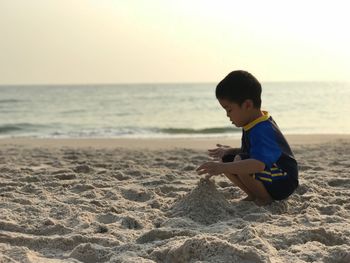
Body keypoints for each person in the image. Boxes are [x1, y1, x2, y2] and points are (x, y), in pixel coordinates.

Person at [196, 70, 299, 206]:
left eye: (229, 110)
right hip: (273, 174)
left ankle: (264, 198)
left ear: (247, 105)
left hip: (284, 179)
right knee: (228, 159)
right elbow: (253, 151)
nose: (227, 115)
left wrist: (222, 168)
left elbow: (258, 163)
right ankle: (254, 195)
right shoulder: (252, 123)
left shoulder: (262, 129)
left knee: (237, 162)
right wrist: (229, 152)